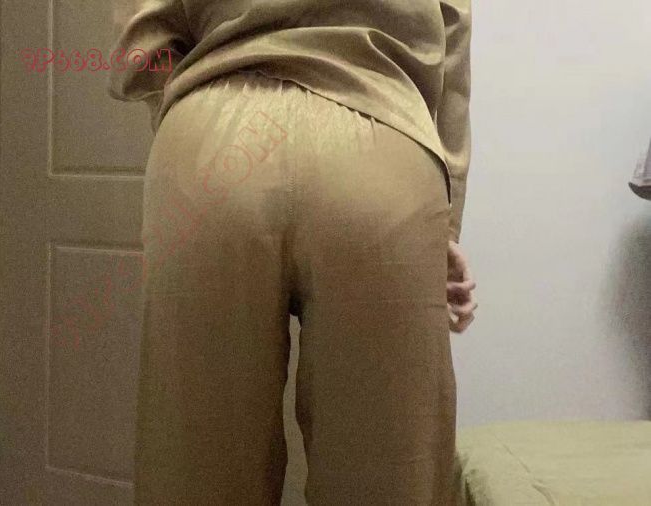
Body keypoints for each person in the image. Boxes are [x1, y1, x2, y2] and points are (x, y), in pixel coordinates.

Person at [108, 0, 477, 504]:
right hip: (381, 145)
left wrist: (183, 106)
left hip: (213, 149)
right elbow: (453, 38)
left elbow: (140, 35)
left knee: (192, 468)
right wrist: (447, 224)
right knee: (390, 475)